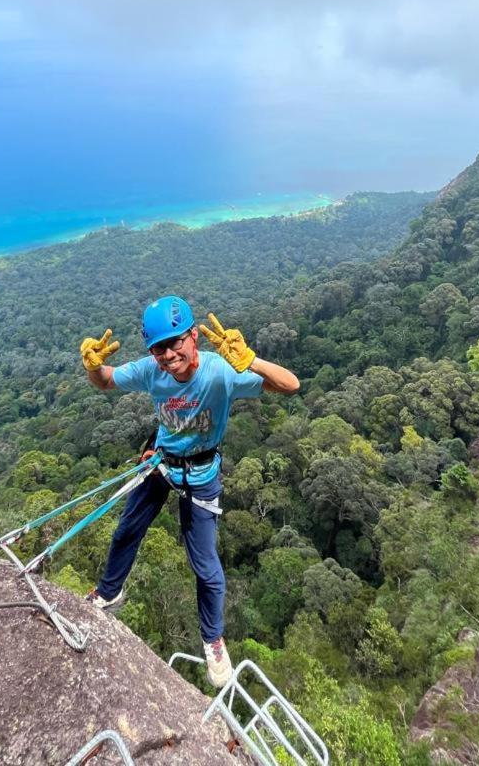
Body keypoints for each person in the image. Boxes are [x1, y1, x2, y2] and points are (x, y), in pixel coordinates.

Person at [80, 294, 300, 687]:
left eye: (174, 342)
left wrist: (250, 361)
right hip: (161, 463)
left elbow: (290, 385)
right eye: (158, 347)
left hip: (200, 474)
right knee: (126, 530)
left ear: (193, 336)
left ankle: (213, 639)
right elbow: (106, 380)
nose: (167, 354)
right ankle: (109, 593)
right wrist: (92, 367)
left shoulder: (220, 373)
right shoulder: (152, 371)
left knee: (206, 567)